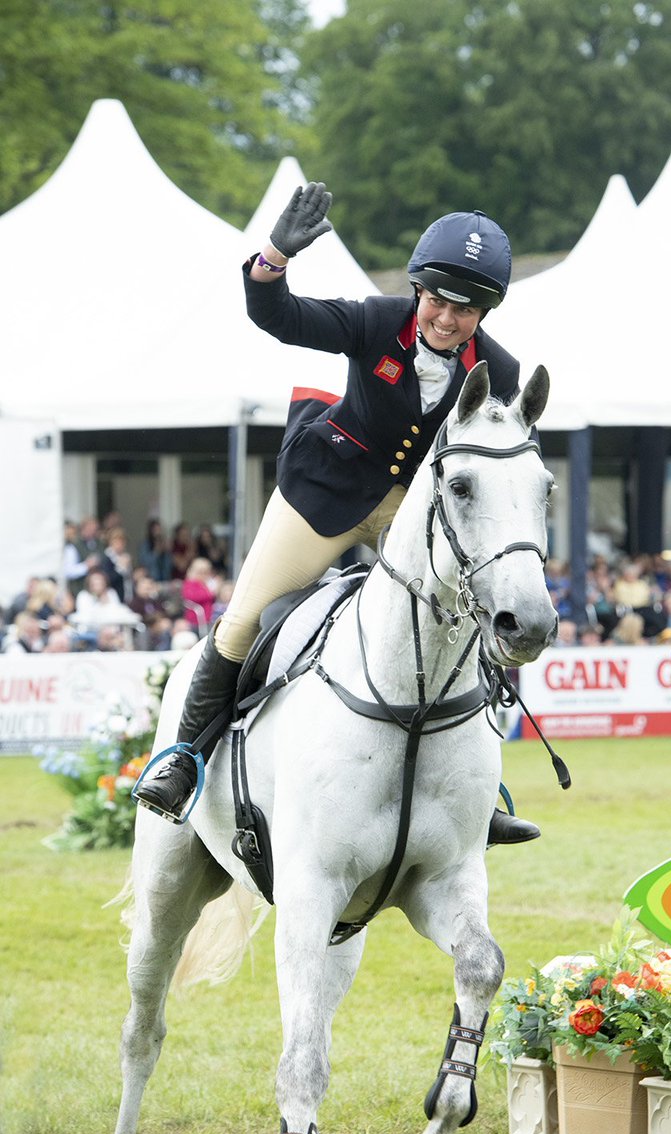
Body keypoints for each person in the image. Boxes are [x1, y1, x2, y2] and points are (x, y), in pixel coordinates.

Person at [135, 182, 538, 847]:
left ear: (485, 312)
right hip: (321, 493)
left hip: (407, 510)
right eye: (437, 300)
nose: (446, 318)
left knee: (461, 625)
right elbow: (280, 317)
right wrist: (272, 258)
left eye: (466, 310)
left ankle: (477, 791)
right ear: (417, 290)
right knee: (241, 623)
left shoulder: (500, 367)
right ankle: (183, 760)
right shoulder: (376, 322)